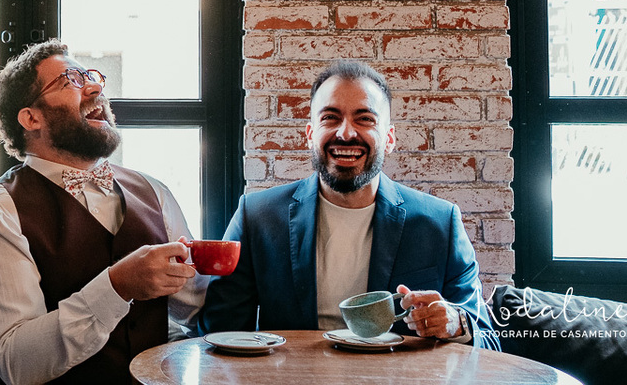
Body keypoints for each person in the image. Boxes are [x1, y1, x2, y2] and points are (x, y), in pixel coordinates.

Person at [198, 59, 499, 350]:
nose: (345, 133)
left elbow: (488, 342)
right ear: (310, 133)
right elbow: (217, 333)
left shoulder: (440, 223)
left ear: (389, 138)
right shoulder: (257, 217)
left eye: (364, 118)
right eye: (330, 117)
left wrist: (456, 325)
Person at [0, 40, 206, 385]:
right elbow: (17, 363)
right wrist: (116, 287)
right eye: (69, 80)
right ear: (31, 117)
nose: (93, 87)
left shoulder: (154, 192)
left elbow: (195, 308)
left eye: (90, 76)